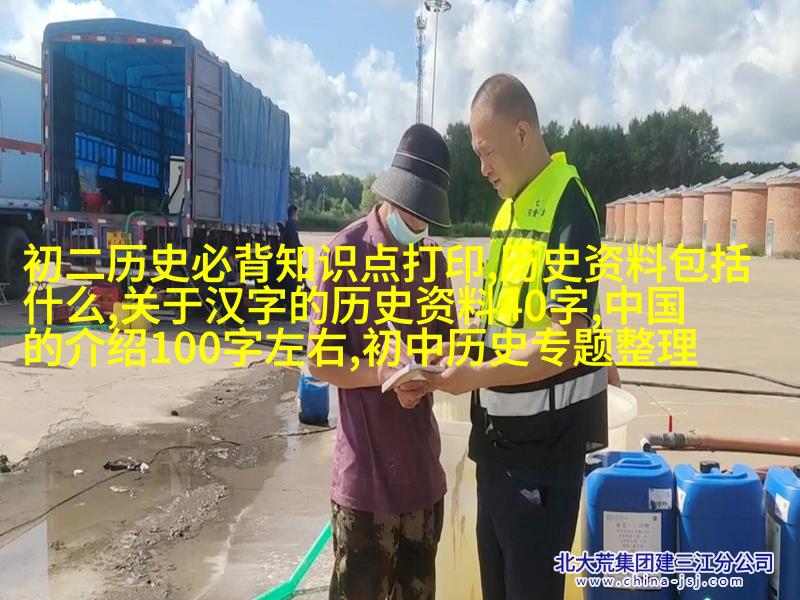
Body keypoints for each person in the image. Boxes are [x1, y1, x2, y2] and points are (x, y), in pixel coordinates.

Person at [423, 74, 611, 600]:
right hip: (498, 453)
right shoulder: (509, 213)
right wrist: (448, 353)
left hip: (543, 464)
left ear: (522, 133)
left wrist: (476, 375)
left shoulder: (570, 210)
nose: (482, 168)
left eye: (486, 152)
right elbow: (497, 326)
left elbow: (565, 342)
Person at [305, 123, 457, 599]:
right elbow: (319, 362)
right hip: (364, 491)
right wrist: (381, 373)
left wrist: (427, 375)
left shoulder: (433, 263)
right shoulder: (343, 255)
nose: (418, 228)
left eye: (426, 220)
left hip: (421, 482)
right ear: (391, 196)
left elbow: (447, 344)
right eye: (412, 214)